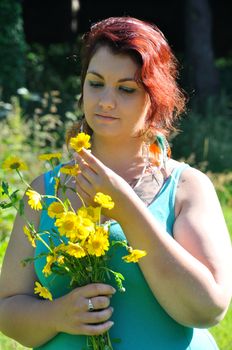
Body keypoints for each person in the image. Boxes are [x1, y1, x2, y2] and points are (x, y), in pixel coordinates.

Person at [0, 16, 231, 350]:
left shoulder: (186, 188)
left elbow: (208, 309)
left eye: (126, 89)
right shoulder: (46, 190)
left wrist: (127, 209)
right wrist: (56, 316)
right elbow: (7, 310)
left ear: (156, 96)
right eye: (96, 83)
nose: (106, 101)